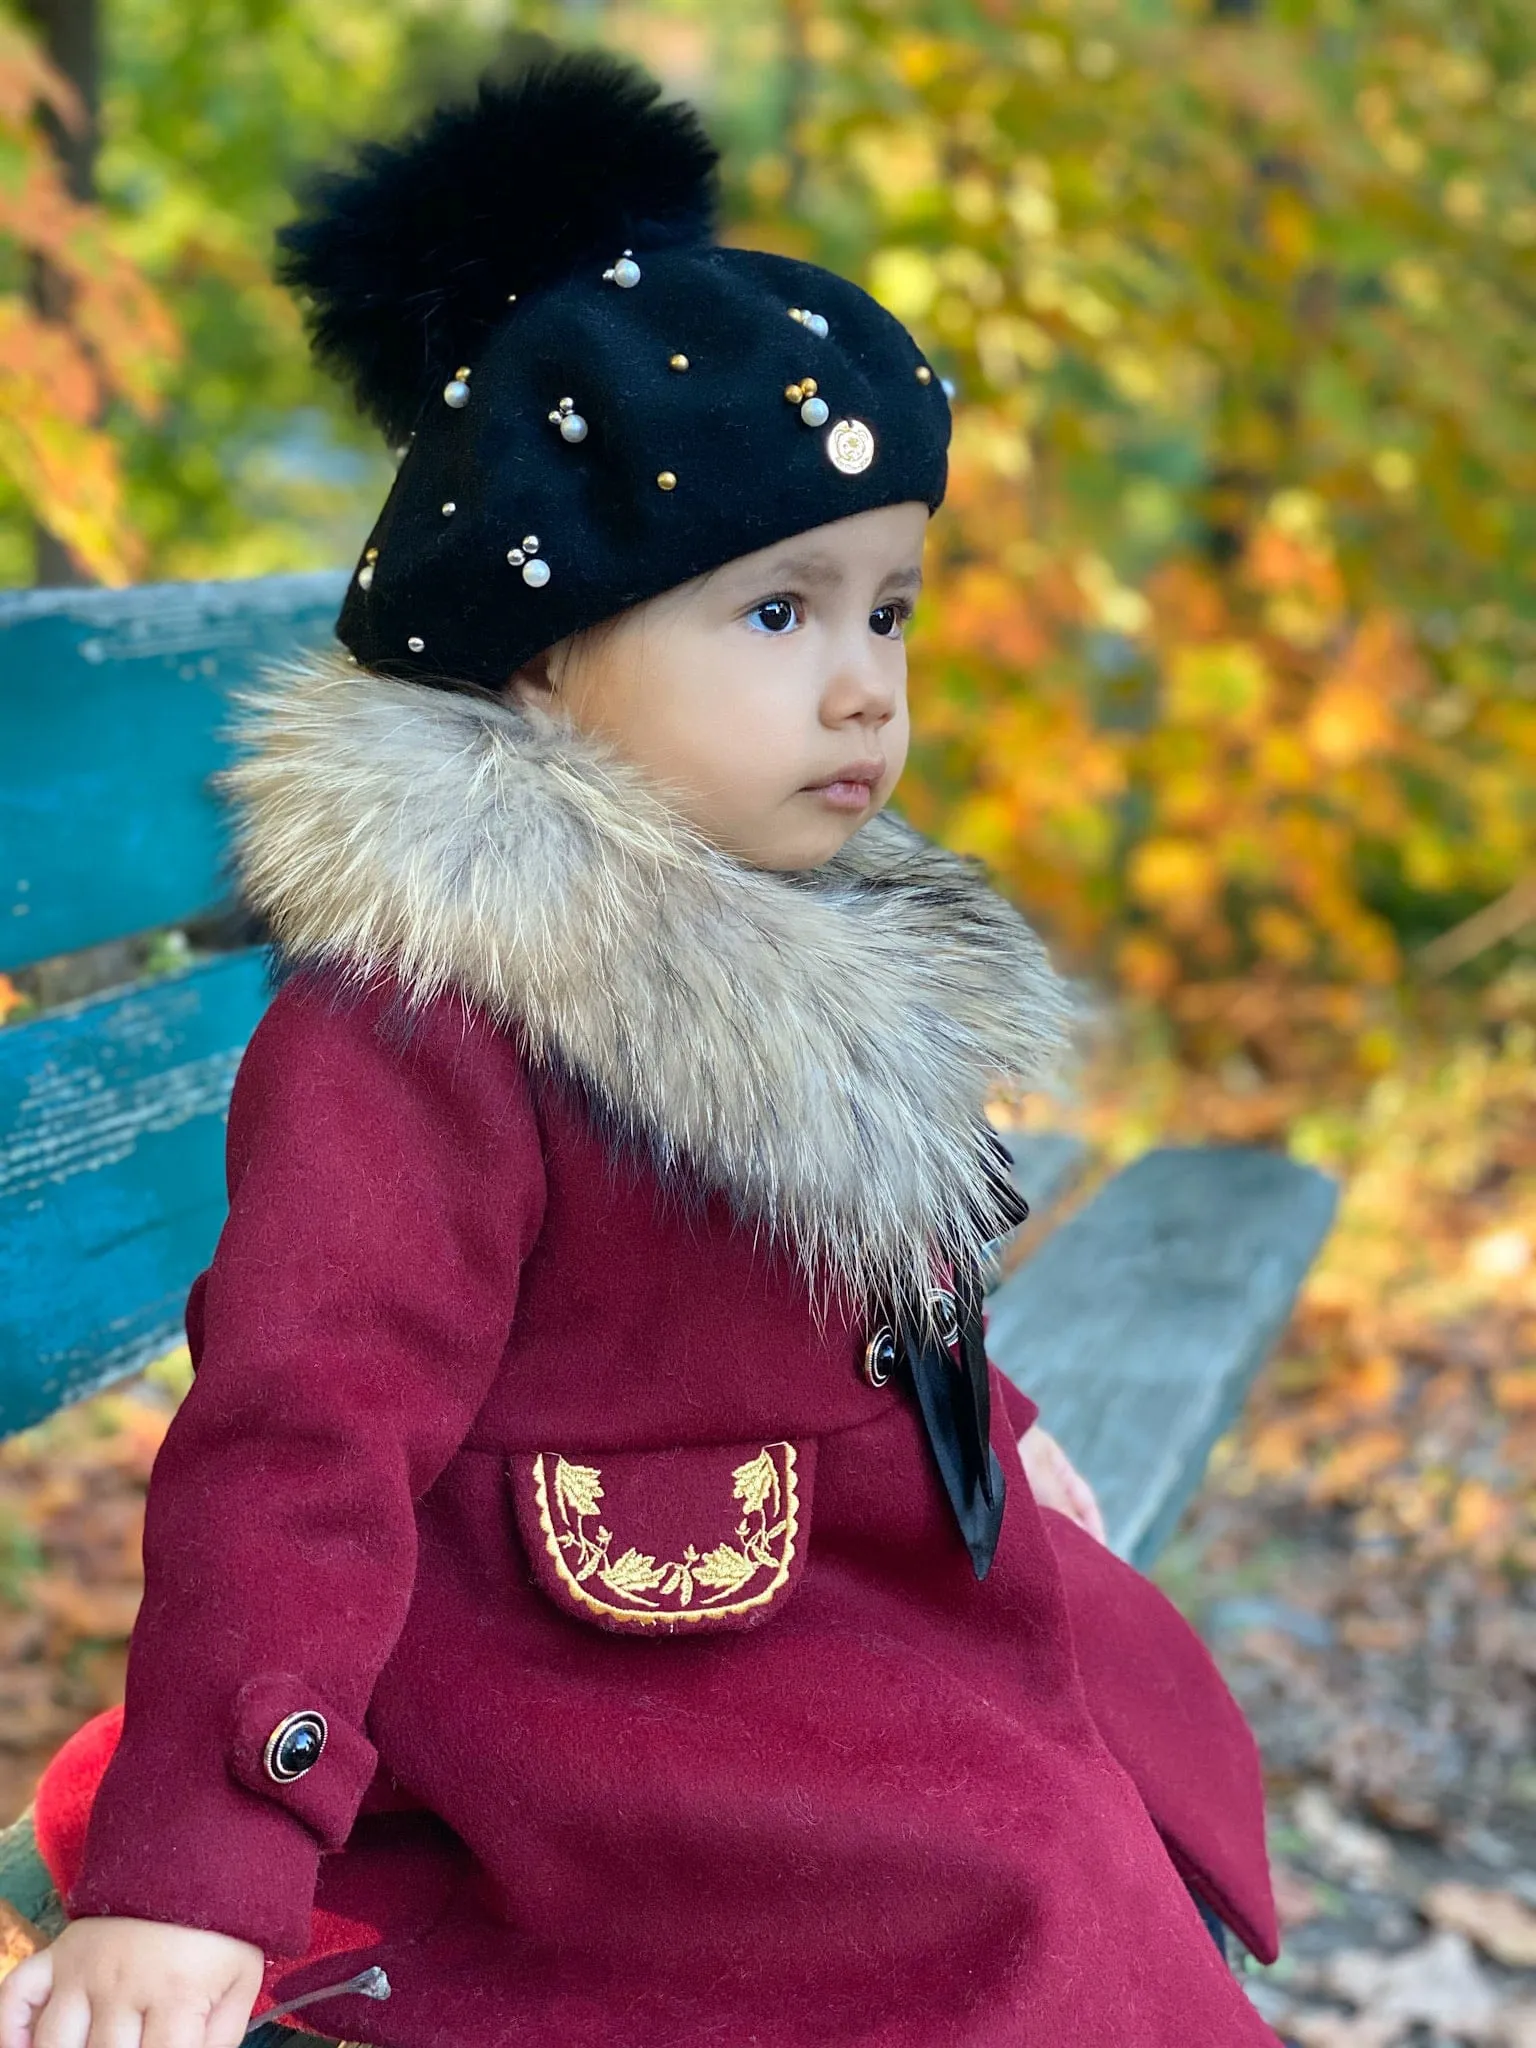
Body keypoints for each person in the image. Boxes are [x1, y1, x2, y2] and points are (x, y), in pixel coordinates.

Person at [0, 39, 1283, 2048]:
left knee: (1090, 1767)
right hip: (590, 1696)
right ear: (541, 654)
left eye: (893, 614)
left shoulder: (803, 915)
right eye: (781, 618)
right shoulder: (430, 1021)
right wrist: (199, 1868)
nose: (866, 690)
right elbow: (300, 1440)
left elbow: (878, 1292)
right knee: (1016, 1877)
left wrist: (1002, 1438)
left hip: (813, 1600)